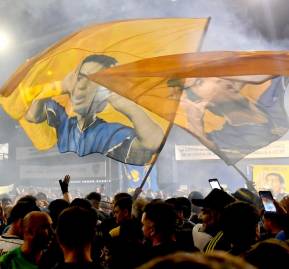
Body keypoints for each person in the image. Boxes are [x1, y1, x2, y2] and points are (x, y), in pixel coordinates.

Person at [25, 54, 164, 165]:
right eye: (80, 78)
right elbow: (32, 116)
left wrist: (126, 105)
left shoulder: (109, 133)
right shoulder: (64, 120)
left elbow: (154, 143)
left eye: (95, 81)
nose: (82, 86)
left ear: (106, 95)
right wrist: (59, 86)